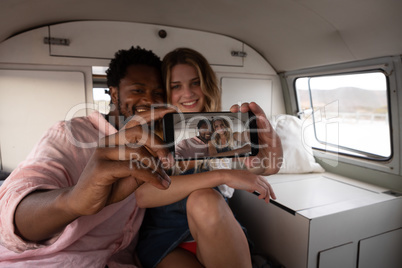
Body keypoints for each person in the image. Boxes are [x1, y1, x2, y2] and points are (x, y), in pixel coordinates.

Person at [0, 46, 175, 267]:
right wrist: (72, 202)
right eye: (138, 90)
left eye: (158, 93)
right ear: (114, 93)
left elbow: (208, 150)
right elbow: (8, 214)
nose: (150, 100)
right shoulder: (71, 133)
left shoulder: (158, 143)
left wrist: (232, 121)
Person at [135, 48, 283, 268]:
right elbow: (143, 195)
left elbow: (266, 167)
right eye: (176, 86)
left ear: (207, 85)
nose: (188, 93)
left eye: (195, 83)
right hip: (166, 242)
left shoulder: (225, 132)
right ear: (166, 91)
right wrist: (222, 175)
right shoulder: (150, 135)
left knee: (205, 200)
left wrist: (272, 151)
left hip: (218, 231)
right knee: (203, 196)